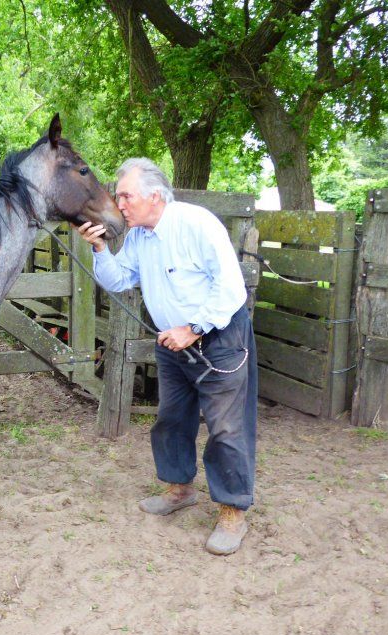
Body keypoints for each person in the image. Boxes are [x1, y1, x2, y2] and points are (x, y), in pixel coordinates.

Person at [78, 158, 257, 555]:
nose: (119, 203)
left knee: (227, 427)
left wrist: (193, 329)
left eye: (125, 195)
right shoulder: (139, 236)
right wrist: (100, 248)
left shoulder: (197, 224)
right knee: (172, 419)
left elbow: (230, 288)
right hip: (172, 345)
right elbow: (119, 280)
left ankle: (232, 511)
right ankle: (179, 490)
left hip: (217, 339)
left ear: (154, 196)